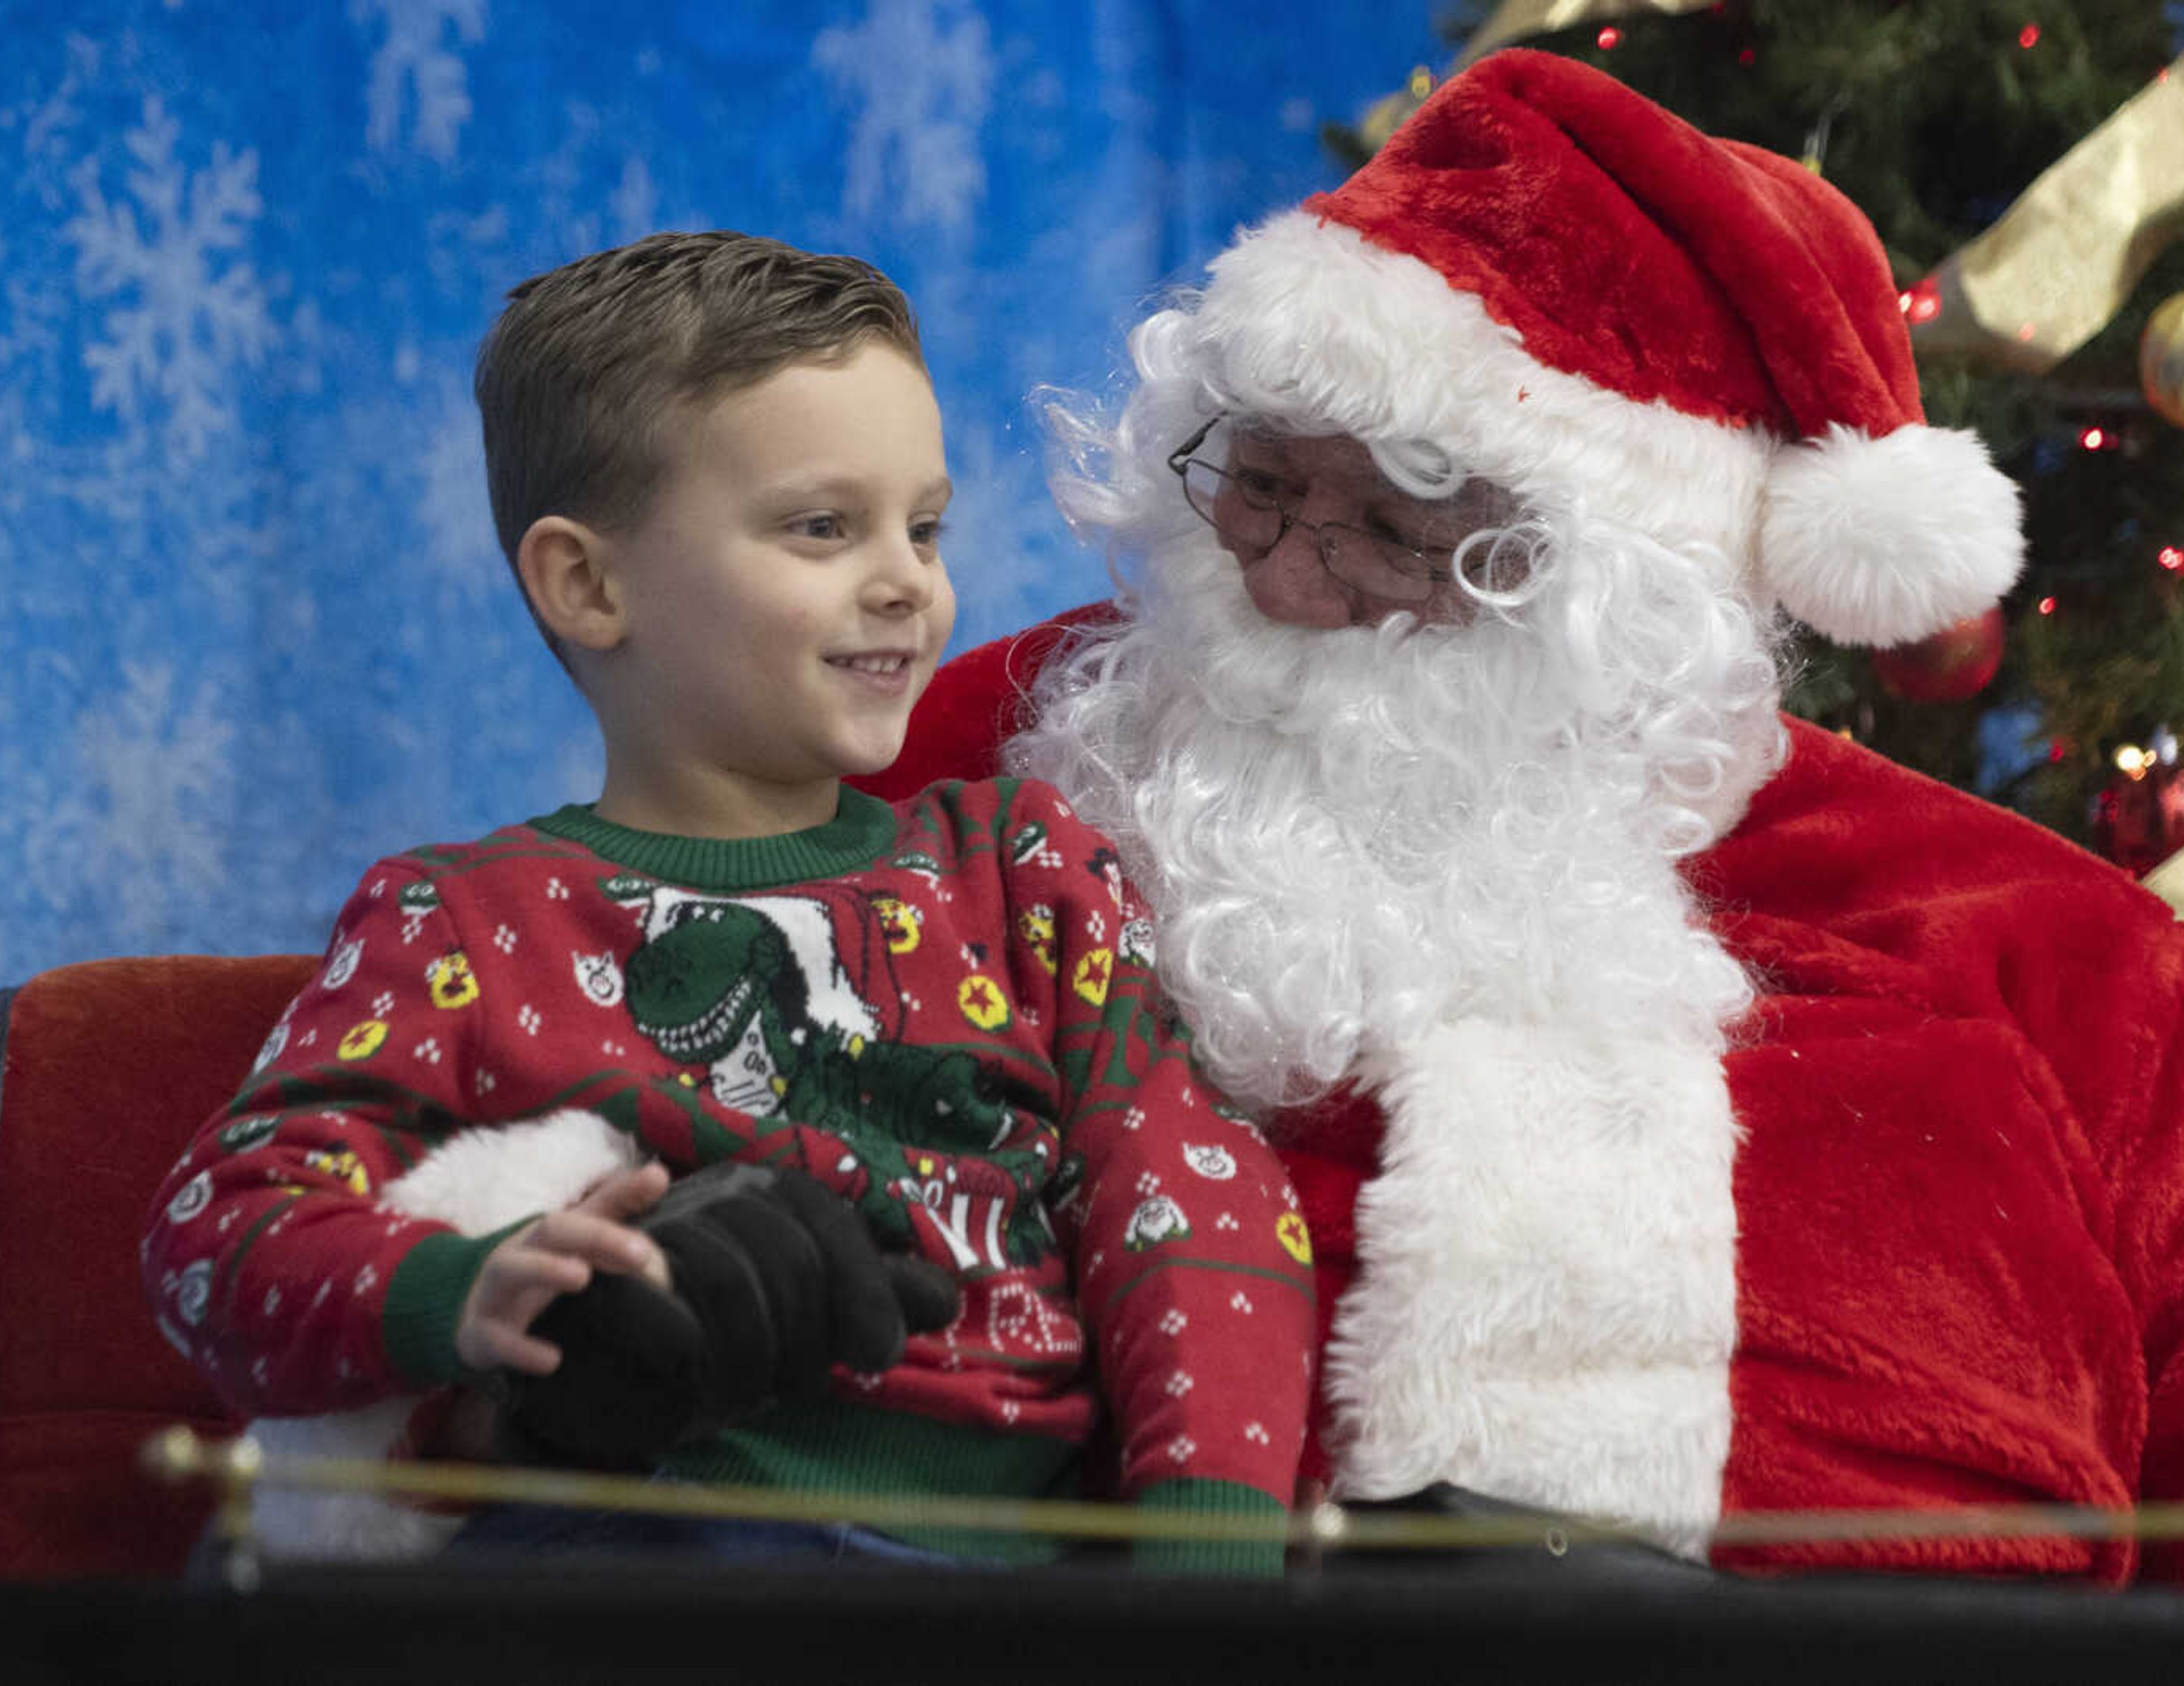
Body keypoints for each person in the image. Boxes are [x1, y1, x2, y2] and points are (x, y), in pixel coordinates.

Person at [857, 51, 2184, 1608]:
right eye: (1261, 486)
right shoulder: (1007, 752)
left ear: (1627, 602)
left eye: (1400, 536)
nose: (1288, 578)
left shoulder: (2040, 948)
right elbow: (634, 986)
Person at [140, 231, 1314, 1577]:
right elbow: (217, 1234)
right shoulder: (462, 922)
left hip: (994, 1583)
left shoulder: (1027, 875)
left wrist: (1208, 1561)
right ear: (590, 583)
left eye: (923, 526)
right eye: (823, 526)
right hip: (627, 1558)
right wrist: (472, 1292)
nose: (905, 580)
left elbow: (1193, 1204)